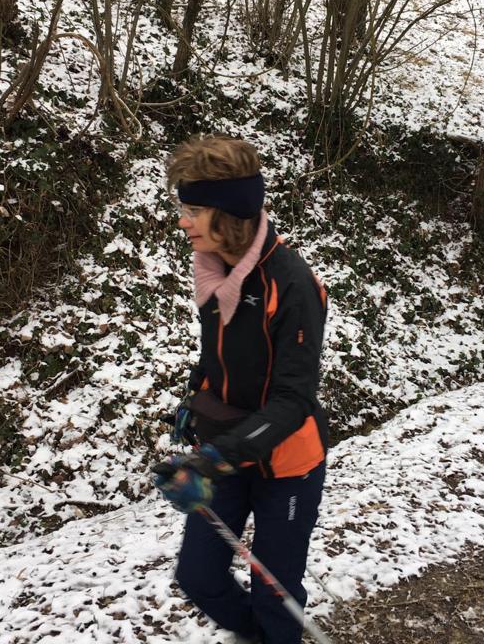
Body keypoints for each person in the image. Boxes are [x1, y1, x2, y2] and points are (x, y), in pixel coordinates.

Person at [152, 135, 329, 644]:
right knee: (198, 577)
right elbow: (222, 355)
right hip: (228, 453)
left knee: (276, 592)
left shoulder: (291, 284)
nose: (183, 221)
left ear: (228, 214)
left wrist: (215, 458)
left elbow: (293, 400)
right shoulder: (215, 272)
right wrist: (194, 402)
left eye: (193, 210)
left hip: (287, 465)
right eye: (183, 208)